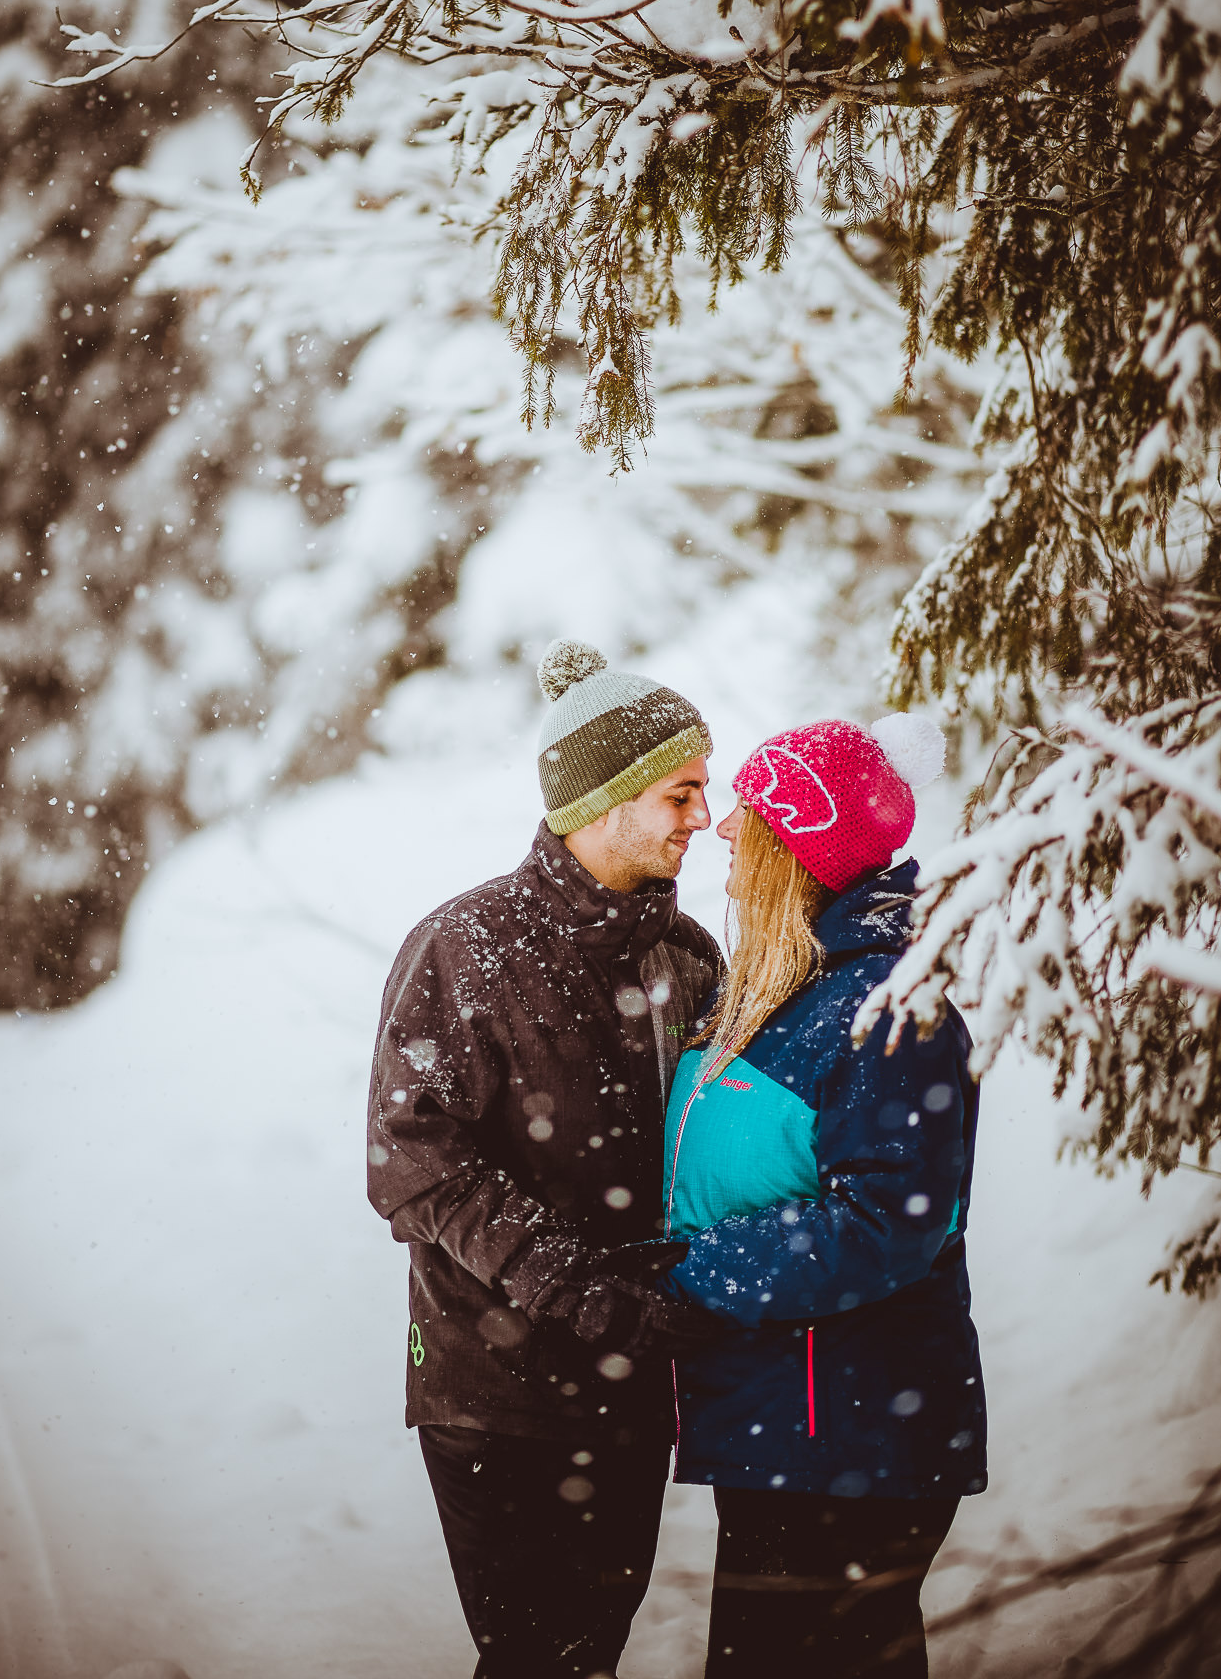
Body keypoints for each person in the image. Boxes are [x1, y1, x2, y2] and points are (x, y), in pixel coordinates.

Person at [368, 638, 728, 1679]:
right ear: (602, 799)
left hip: (630, 1388)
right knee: (536, 1658)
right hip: (494, 1383)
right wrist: (575, 1285)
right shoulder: (461, 948)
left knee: (591, 1653)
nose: (700, 817)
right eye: (680, 791)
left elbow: (708, 1146)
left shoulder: (686, 956)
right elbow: (409, 1161)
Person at [662, 713, 987, 1679]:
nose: (721, 829)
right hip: (789, 1423)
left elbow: (888, 1223)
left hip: (847, 1435)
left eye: (750, 817)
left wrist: (694, 1270)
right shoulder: (787, 992)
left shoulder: (885, 1006)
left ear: (798, 850)